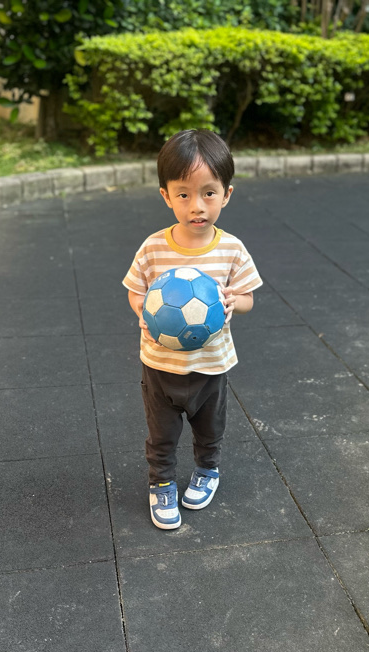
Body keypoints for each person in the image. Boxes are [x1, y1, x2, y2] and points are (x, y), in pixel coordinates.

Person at [123, 129, 263, 530]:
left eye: (208, 193)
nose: (196, 205)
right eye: (183, 194)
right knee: (161, 434)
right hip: (160, 364)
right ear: (166, 196)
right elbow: (135, 291)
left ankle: (207, 470)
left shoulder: (232, 250)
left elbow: (248, 298)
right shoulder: (153, 247)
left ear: (226, 194)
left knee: (209, 427)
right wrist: (142, 311)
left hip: (211, 365)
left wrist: (235, 301)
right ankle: (162, 482)